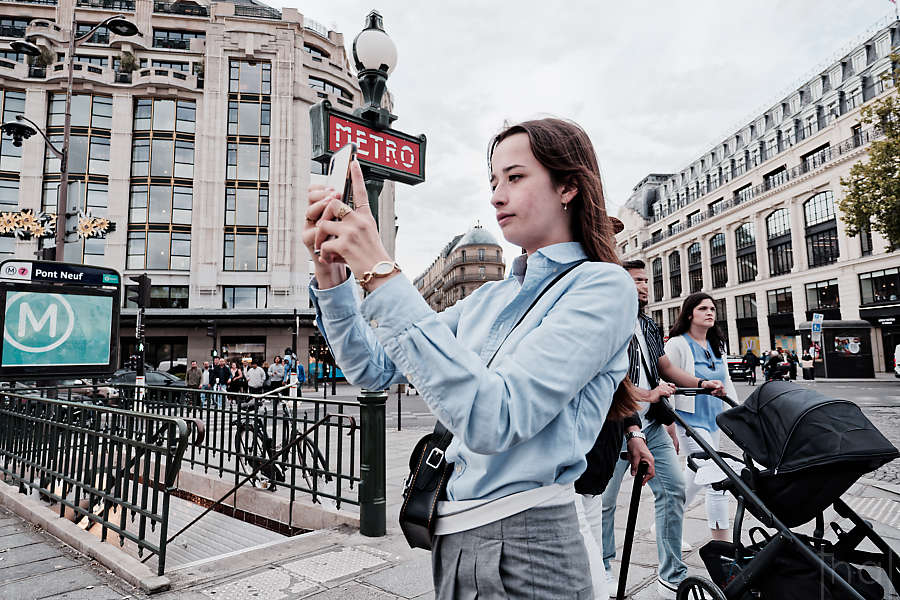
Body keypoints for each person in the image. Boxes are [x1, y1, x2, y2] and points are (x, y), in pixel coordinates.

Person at [305, 117, 640, 598]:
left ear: (568, 186)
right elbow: (373, 368)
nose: (497, 196)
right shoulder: (489, 298)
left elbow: (495, 418)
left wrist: (381, 272)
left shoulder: (602, 285)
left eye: (515, 177)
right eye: (494, 181)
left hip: (529, 537)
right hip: (455, 536)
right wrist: (333, 278)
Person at [593, 260, 724, 599]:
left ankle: (671, 575)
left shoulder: (648, 325)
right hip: (614, 426)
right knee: (605, 502)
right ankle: (603, 567)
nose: (644, 286)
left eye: (645, 280)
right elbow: (610, 380)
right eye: (636, 280)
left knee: (674, 490)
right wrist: (647, 395)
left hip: (650, 423)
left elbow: (663, 367)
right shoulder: (608, 322)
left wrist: (699, 383)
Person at [665, 292, 738, 543]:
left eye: (712, 309)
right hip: (689, 421)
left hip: (713, 419)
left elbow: (726, 382)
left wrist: (740, 414)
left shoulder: (718, 344)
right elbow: (665, 380)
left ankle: (664, 520)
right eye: (703, 308)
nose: (710, 313)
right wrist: (668, 423)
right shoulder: (676, 344)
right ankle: (724, 547)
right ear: (689, 314)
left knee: (697, 476)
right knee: (716, 479)